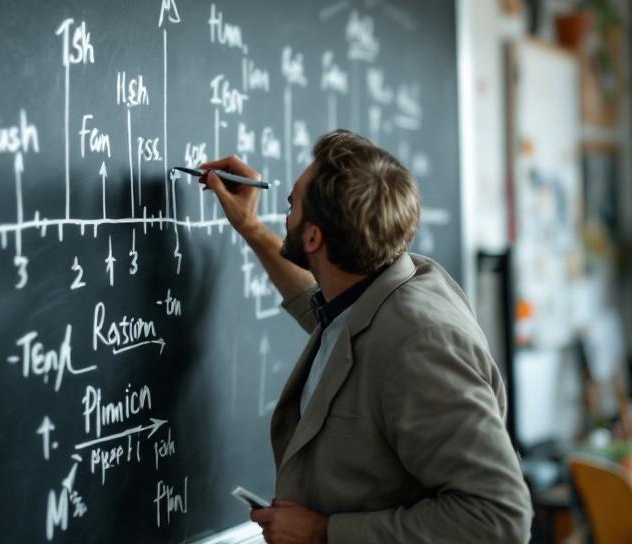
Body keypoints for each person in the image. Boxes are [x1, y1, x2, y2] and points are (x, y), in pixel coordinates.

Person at [197, 130, 532, 544]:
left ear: (314, 238)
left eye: (291, 205)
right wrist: (250, 226)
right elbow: (319, 306)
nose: (285, 211)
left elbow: (499, 517)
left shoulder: (420, 345)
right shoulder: (377, 292)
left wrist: (324, 533)